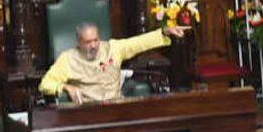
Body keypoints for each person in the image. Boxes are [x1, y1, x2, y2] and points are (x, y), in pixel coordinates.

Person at [39, 22, 188, 104]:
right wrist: (66, 87)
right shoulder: (68, 58)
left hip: (116, 107)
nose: (93, 45)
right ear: (79, 42)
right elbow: (45, 84)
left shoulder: (113, 48)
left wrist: (164, 32)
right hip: (89, 112)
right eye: (88, 42)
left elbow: (138, 42)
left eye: (96, 40)